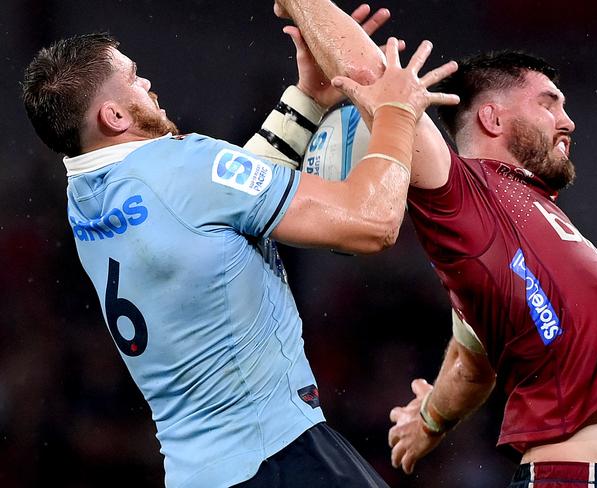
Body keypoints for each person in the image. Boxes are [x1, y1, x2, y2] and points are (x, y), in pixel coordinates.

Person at [20, 7, 462, 487]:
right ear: (115, 114)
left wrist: (308, 99)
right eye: (132, 77)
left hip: (199, 473)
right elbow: (370, 223)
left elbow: (218, 204)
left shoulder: (86, 196)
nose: (147, 82)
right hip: (277, 457)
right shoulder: (181, 166)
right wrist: (397, 111)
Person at [273, 1, 597, 486]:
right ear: (492, 118)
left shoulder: (517, 218)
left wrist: (429, 420)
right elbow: (375, 80)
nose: (568, 120)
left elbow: (471, 361)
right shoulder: (468, 193)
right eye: (549, 102)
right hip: (577, 477)